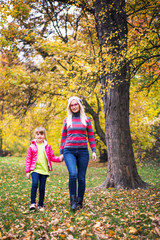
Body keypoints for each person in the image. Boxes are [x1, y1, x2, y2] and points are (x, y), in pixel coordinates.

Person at [60, 96, 96, 211]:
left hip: (83, 152)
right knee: (73, 175)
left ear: (79, 105)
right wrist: (61, 152)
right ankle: (73, 202)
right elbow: (63, 137)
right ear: (69, 107)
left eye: (76, 104)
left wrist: (93, 150)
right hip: (69, 151)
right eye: (72, 105)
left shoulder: (86, 119)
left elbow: (90, 136)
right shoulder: (67, 120)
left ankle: (80, 201)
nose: (74, 107)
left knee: (81, 178)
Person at [25, 127, 63, 211]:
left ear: (44, 136)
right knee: (35, 184)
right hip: (34, 169)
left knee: (42, 187)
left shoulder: (47, 147)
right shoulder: (32, 146)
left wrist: (59, 159)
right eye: (37, 134)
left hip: (44, 170)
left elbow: (52, 157)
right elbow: (28, 159)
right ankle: (32, 203)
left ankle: (40, 205)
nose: (39, 136)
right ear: (35, 136)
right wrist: (27, 171)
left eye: (41, 134)